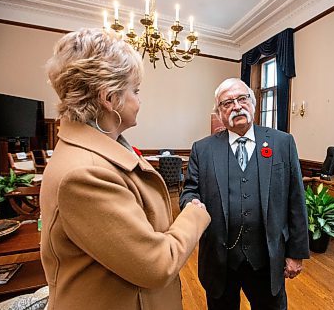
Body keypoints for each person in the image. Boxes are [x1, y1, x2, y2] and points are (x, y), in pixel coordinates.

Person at [41, 28, 210, 310]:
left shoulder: (102, 150)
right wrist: (193, 214)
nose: (139, 100)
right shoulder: (83, 175)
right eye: (135, 90)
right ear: (110, 98)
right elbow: (156, 264)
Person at [180, 78, 309, 310]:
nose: (236, 106)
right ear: (219, 112)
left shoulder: (282, 143)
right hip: (220, 260)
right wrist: (192, 202)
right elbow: (190, 190)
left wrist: (296, 253)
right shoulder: (203, 149)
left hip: (267, 260)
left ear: (253, 103)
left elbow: (296, 200)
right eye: (227, 103)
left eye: (242, 99)